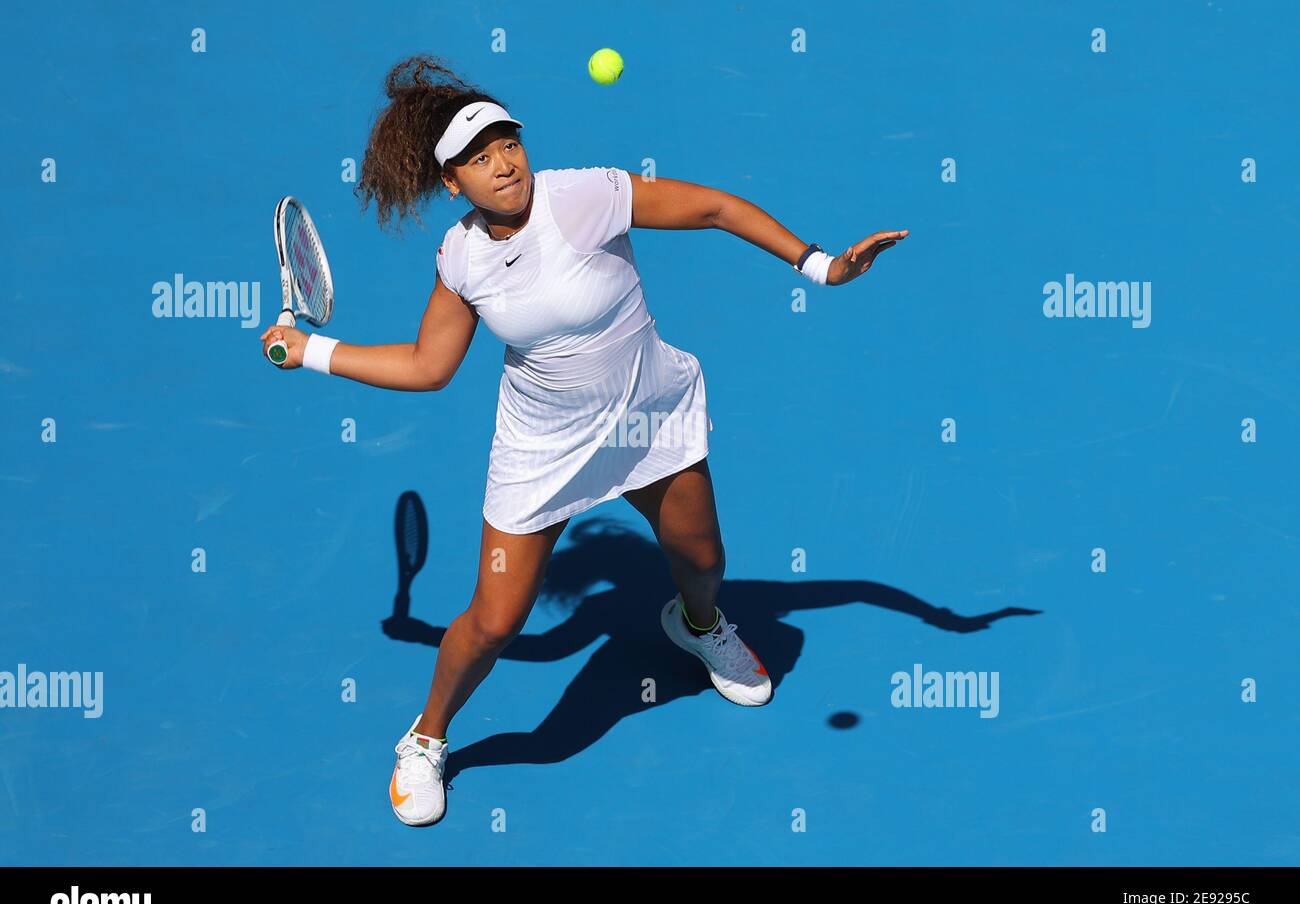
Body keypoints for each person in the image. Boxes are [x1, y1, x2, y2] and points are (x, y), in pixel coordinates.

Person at [260, 55, 908, 827]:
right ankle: (425, 738)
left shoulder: (584, 197)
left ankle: (695, 625)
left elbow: (711, 210)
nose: (504, 163)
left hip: (648, 417)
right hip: (543, 450)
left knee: (704, 563)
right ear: (451, 183)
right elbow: (430, 366)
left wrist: (819, 264)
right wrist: (312, 353)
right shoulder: (462, 258)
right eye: (479, 157)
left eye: (509, 143)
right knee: (496, 622)